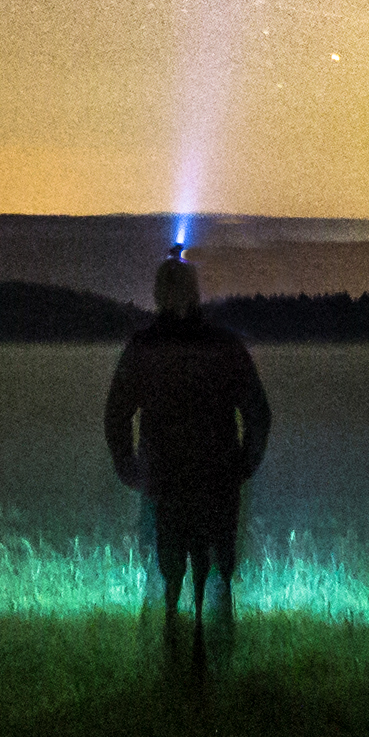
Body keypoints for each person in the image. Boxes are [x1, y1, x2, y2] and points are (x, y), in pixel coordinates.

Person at [103, 252, 271, 682]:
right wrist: (244, 465)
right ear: (196, 292)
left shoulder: (143, 348)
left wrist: (130, 468)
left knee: (167, 575)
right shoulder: (225, 346)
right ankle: (215, 670)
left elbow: (116, 413)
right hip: (216, 479)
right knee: (215, 572)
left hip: (163, 481)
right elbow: (258, 412)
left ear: (159, 293)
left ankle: (167, 667)